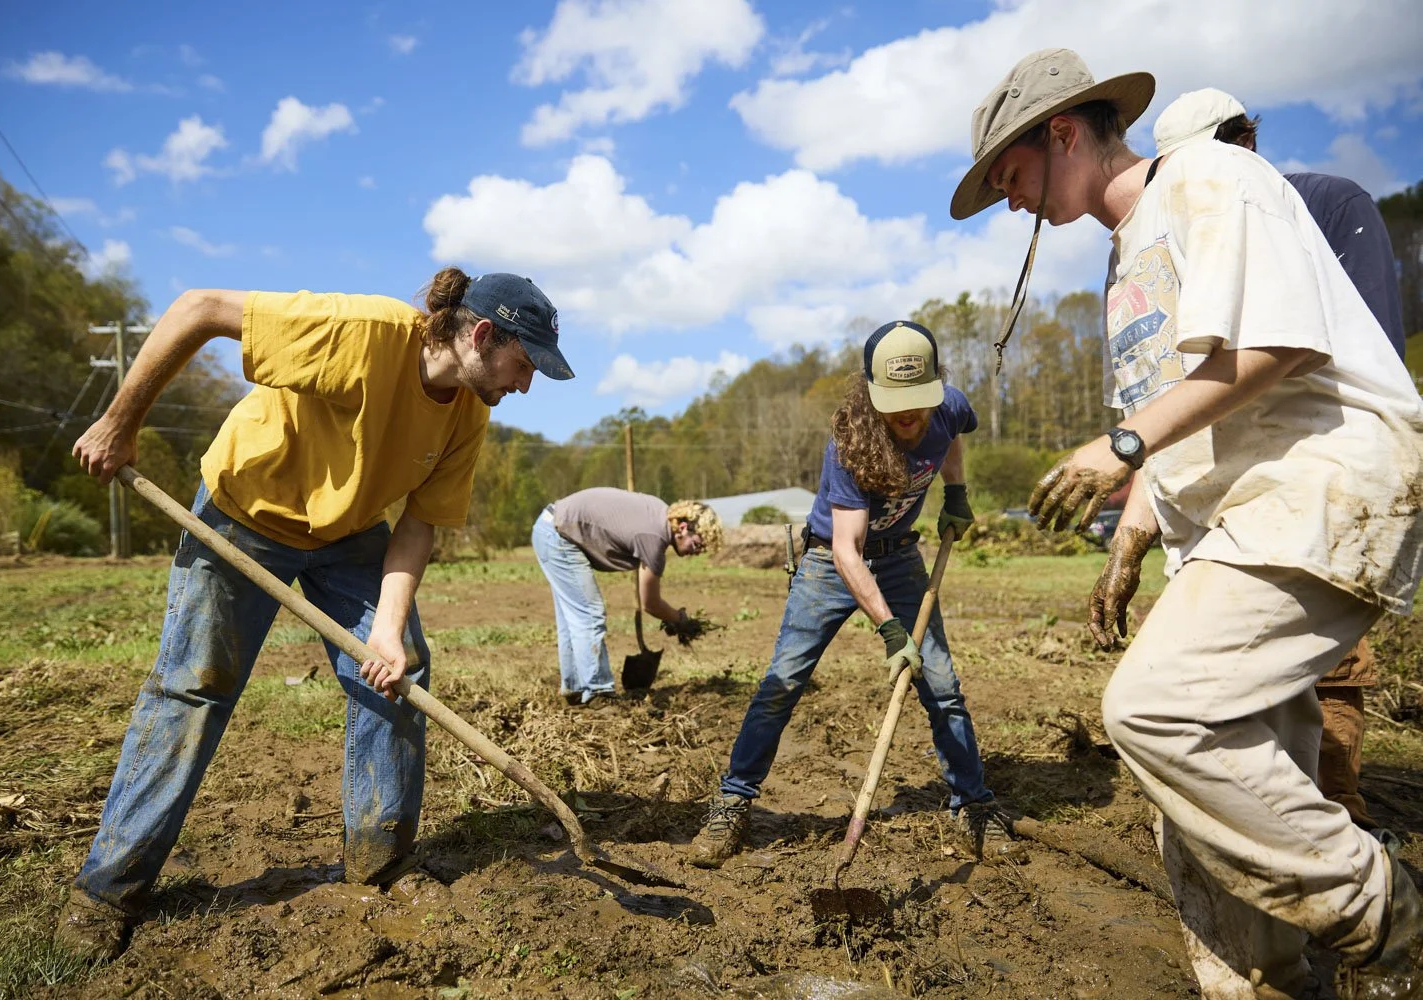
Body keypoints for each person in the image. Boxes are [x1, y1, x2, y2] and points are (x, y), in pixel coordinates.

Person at [953, 48, 1423, 995]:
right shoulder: (1127, 253)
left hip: (1319, 488)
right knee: (1204, 800)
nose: (1013, 207)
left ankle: (1384, 910)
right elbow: (1183, 425)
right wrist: (1131, 540)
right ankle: (1266, 982)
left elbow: (1277, 344)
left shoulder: (1211, 176)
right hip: (1235, 524)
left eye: (1011, 179)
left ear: (1062, 132)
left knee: (1154, 711)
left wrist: (1118, 447)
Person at [56, 268, 574, 961]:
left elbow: (418, 523)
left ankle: (380, 870)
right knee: (194, 686)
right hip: (244, 514)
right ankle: (105, 891)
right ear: (481, 335)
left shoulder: (466, 414)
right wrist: (120, 422)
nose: (524, 385)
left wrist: (387, 631)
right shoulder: (362, 335)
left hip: (347, 534)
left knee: (396, 675)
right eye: (522, 365)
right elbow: (197, 308)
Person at [1154, 86, 1409, 831]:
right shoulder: (1187, 237)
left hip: (1320, 476)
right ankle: (1275, 832)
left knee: (1324, 673)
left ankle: (1342, 830)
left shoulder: (1323, 204)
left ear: (1245, 144)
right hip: (1231, 497)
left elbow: (1370, 353)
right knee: (1235, 683)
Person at [688, 320, 1010, 870]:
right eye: (895, 402)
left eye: (919, 400)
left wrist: (955, 491)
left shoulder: (948, 405)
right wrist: (890, 631)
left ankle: (973, 805)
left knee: (943, 685)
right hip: (828, 564)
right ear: (870, 392)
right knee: (782, 682)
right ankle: (733, 802)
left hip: (903, 557)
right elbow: (846, 551)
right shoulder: (850, 445)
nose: (909, 414)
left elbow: (953, 432)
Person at [532, 488, 722, 706]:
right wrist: (679, 620)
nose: (695, 552)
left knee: (573, 618)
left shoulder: (658, 514)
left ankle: (575, 687)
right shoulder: (653, 538)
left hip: (551, 526)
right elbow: (650, 602)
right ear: (682, 528)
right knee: (589, 614)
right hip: (559, 534)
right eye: (696, 544)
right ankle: (597, 693)